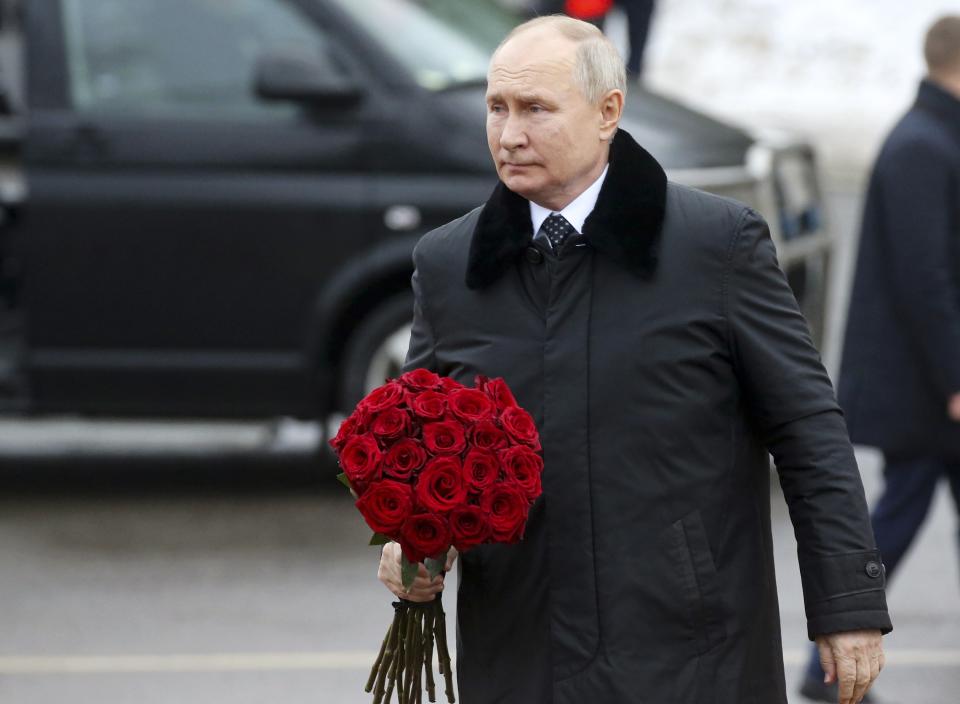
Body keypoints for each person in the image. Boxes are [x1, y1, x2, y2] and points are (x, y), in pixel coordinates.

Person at [379, 16, 891, 704]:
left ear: (607, 113)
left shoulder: (717, 245)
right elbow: (419, 449)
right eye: (496, 109)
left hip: (687, 655)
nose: (509, 134)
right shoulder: (448, 265)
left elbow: (807, 429)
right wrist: (413, 546)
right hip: (518, 654)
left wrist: (848, 604)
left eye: (536, 109)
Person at [798, 14, 960, 703]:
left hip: (928, 382)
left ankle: (822, 668)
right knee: (895, 516)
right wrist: (957, 378)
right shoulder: (922, 145)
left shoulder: (933, 135)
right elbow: (928, 277)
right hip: (927, 386)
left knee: (902, 511)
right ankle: (822, 665)